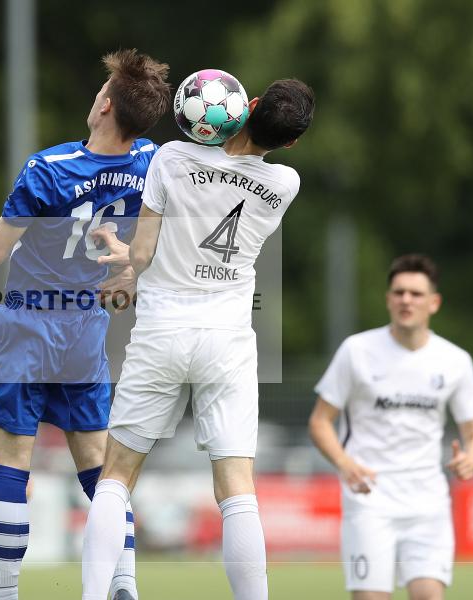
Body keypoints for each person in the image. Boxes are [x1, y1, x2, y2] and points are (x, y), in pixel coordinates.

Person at [0, 49, 172, 600]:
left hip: (25, 325)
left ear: (105, 107)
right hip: (85, 328)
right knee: (101, 472)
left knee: (9, 467)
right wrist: (132, 273)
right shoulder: (152, 162)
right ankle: (124, 584)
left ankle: (4, 595)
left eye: (100, 91)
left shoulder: (49, 169)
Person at [81, 78, 315, 600]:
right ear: (291, 142)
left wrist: (121, 256)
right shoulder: (285, 183)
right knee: (237, 490)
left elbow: (143, 255)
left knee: (116, 477)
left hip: (162, 331)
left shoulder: (171, 158)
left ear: (248, 105)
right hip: (227, 341)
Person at [308, 254, 473, 600]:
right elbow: (319, 422)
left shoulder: (455, 361)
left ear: (434, 302)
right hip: (370, 501)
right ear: (388, 299)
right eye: (399, 292)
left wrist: (472, 459)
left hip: (428, 503)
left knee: (428, 596)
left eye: (416, 293)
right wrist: (345, 464)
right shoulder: (357, 351)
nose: (407, 300)